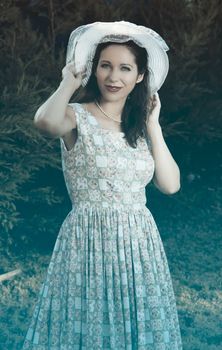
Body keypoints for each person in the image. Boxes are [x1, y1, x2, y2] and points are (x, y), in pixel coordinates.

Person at [21, 21, 183, 349]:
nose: (113, 77)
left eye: (125, 68)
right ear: (94, 71)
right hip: (87, 238)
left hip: (138, 243)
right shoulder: (75, 116)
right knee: (86, 325)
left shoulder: (139, 128)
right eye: (105, 66)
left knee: (135, 324)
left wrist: (154, 126)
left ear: (139, 76)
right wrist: (68, 82)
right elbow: (44, 122)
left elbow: (170, 185)